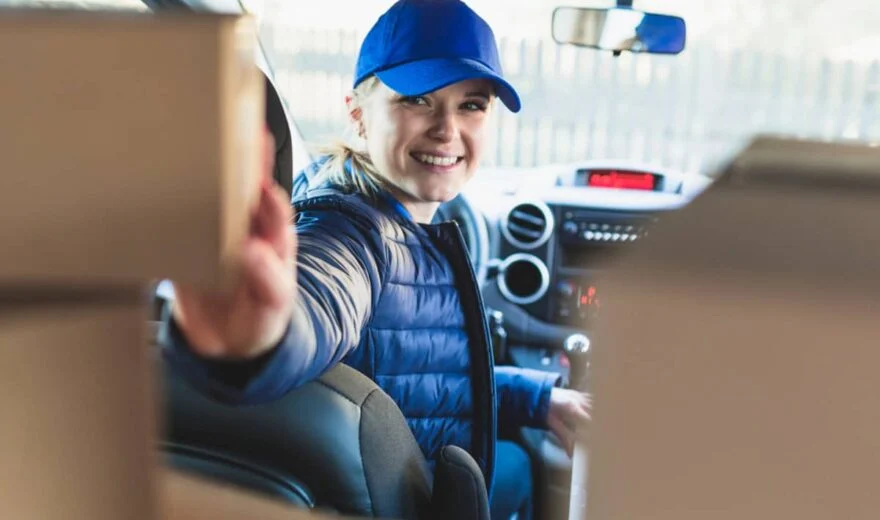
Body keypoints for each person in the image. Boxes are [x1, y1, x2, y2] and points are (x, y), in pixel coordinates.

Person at [162, 1, 591, 518]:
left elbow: (426, 375)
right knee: (524, 468)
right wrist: (259, 336)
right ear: (358, 114)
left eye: (472, 105)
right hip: (403, 498)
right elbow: (322, 290)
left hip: (405, 477)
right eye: (418, 99)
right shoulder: (351, 229)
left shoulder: (388, 215)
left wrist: (539, 399)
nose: (447, 129)